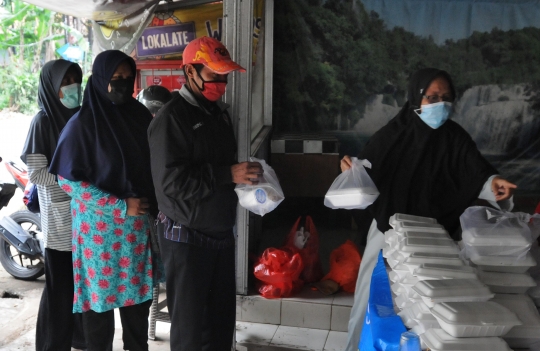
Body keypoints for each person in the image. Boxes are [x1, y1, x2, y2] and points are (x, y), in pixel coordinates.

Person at [343, 68, 517, 350]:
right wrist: (350, 169)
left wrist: (493, 183)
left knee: (424, 306)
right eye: (432, 97)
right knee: (370, 300)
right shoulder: (392, 136)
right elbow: (364, 171)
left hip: (433, 239)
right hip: (389, 232)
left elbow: (475, 172)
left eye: (447, 98)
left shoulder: (455, 138)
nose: (440, 105)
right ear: (416, 98)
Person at [147, 36, 263, 351]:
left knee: (220, 321)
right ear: (190, 72)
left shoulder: (218, 114)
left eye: (224, 76)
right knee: (189, 327)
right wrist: (227, 174)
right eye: (215, 75)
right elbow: (170, 183)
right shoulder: (172, 118)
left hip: (220, 235)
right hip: (186, 238)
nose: (221, 83)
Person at [49, 50, 157, 351]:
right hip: (99, 240)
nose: (122, 84)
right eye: (115, 78)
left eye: (127, 78)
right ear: (99, 80)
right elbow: (69, 181)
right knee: (99, 322)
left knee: (137, 316)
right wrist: (120, 205)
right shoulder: (82, 125)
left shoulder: (139, 116)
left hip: (136, 235)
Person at [20, 59, 87, 351]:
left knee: (81, 288)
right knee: (60, 291)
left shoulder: (84, 115)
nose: (72, 85)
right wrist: (72, 183)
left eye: (75, 78)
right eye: (65, 81)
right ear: (51, 85)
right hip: (60, 223)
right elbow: (36, 173)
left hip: (87, 217)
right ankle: (51, 345)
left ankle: (77, 340)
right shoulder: (43, 120)